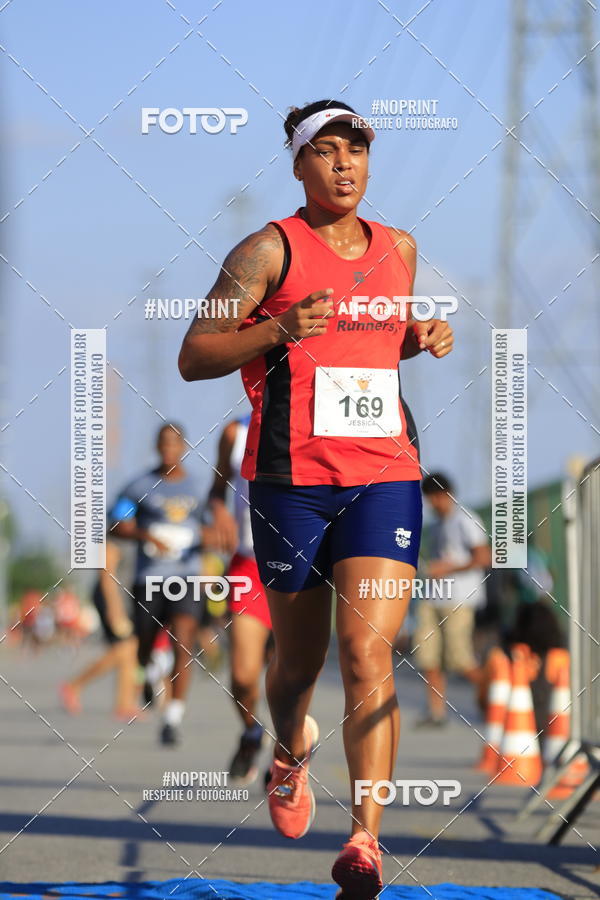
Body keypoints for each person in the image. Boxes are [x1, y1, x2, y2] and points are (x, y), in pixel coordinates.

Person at [178, 98, 454, 899]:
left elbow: (372, 343)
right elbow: (195, 353)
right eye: (327, 151)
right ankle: (290, 751)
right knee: (298, 664)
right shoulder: (267, 250)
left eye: (356, 151)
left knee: (367, 653)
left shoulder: (399, 248)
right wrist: (279, 328)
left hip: (385, 473)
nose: (344, 165)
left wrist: (419, 337)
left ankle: (366, 838)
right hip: (290, 482)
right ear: (298, 164)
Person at [110, 422, 221, 745]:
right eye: (163, 443)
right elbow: (116, 523)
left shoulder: (199, 488)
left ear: (184, 446)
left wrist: (204, 537)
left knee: (183, 641)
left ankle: (172, 716)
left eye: (175, 443)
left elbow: (215, 530)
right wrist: (146, 535)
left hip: (186, 577)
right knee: (145, 641)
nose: (169, 448)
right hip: (149, 578)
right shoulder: (138, 487)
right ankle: (146, 672)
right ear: (156, 446)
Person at [209, 414, 274, 785]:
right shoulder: (235, 432)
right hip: (249, 564)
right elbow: (217, 488)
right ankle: (251, 731)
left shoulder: (318, 417)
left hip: (303, 563)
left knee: (290, 675)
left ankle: (288, 756)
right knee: (244, 675)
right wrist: (219, 509)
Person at [414, 472, 491, 727]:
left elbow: (484, 557)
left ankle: (495, 699)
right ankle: (436, 712)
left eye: (432, 498)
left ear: (443, 495)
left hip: (459, 599)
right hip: (432, 597)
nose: (431, 504)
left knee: (460, 659)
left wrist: (449, 568)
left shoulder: (466, 519)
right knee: (428, 658)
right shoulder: (437, 525)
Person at [59, 538, 140, 719]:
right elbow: (106, 572)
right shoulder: (116, 539)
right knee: (125, 648)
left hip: (124, 600)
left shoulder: (135, 537)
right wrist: (114, 608)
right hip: (110, 598)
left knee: (130, 649)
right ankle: (74, 685)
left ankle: (124, 704)